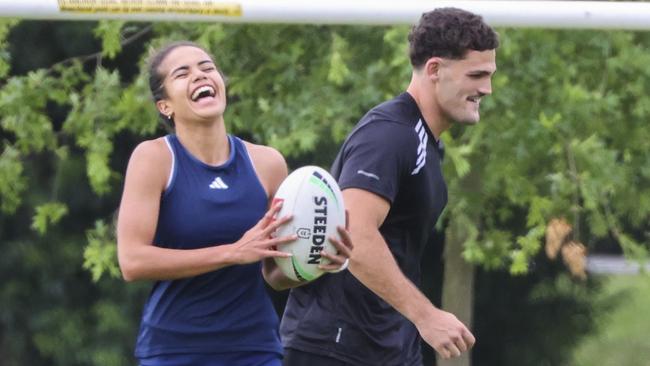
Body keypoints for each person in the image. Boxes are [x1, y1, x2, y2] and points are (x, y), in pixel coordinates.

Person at [280, 7, 499, 366]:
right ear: (434, 69)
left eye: (489, 75)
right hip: (335, 347)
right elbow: (354, 235)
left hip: (386, 348)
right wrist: (426, 316)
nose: (487, 89)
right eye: (476, 75)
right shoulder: (389, 134)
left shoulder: (424, 141)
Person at [116, 41, 352, 366]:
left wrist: (317, 261)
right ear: (164, 105)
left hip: (255, 348)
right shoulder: (153, 158)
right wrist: (231, 253)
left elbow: (275, 271)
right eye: (182, 73)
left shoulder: (267, 163)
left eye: (207, 67)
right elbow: (132, 261)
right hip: (174, 350)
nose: (200, 76)